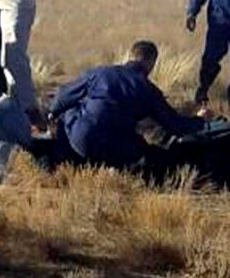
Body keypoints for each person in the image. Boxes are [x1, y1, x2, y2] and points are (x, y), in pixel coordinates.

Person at [46, 41, 205, 181]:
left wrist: (51, 113)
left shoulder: (100, 73)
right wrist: (199, 120)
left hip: (80, 138)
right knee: (143, 151)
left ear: (130, 55)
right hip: (113, 147)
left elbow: (63, 95)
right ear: (151, 63)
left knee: (69, 111)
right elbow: (174, 124)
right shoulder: (148, 90)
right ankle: (116, 172)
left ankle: (61, 163)